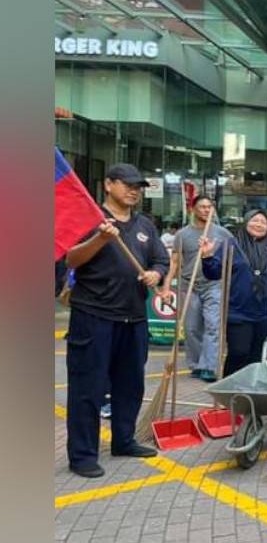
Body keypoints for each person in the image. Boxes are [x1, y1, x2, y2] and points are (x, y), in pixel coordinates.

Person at [63, 163, 169, 478]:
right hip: (93, 316)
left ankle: (124, 440)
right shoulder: (90, 219)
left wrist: (156, 273)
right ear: (109, 184)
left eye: (139, 186)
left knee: (130, 385)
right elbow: (70, 258)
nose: (134, 190)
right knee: (88, 388)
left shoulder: (145, 226)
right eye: (128, 184)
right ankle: (82, 455)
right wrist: (100, 239)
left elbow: (161, 258)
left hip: (133, 318)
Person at [159, 196, 233, 382]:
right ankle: (196, 365)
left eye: (209, 207)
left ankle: (209, 367)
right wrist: (167, 287)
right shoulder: (183, 235)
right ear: (193, 209)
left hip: (213, 284)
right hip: (188, 285)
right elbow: (174, 263)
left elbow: (233, 259)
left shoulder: (223, 234)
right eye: (202, 207)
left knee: (213, 326)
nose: (206, 210)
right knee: (191, 328)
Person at [200, 210, 267, 377]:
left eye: (263, 222)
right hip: (238, 311)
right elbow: (213, 273)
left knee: (256, 358)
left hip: (264, 312)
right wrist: (208, 256)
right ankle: (230, 388)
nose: (259, 224)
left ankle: (248, 395)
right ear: (245, 222)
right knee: (239, 352)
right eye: (255, 220)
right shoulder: (231, 244)